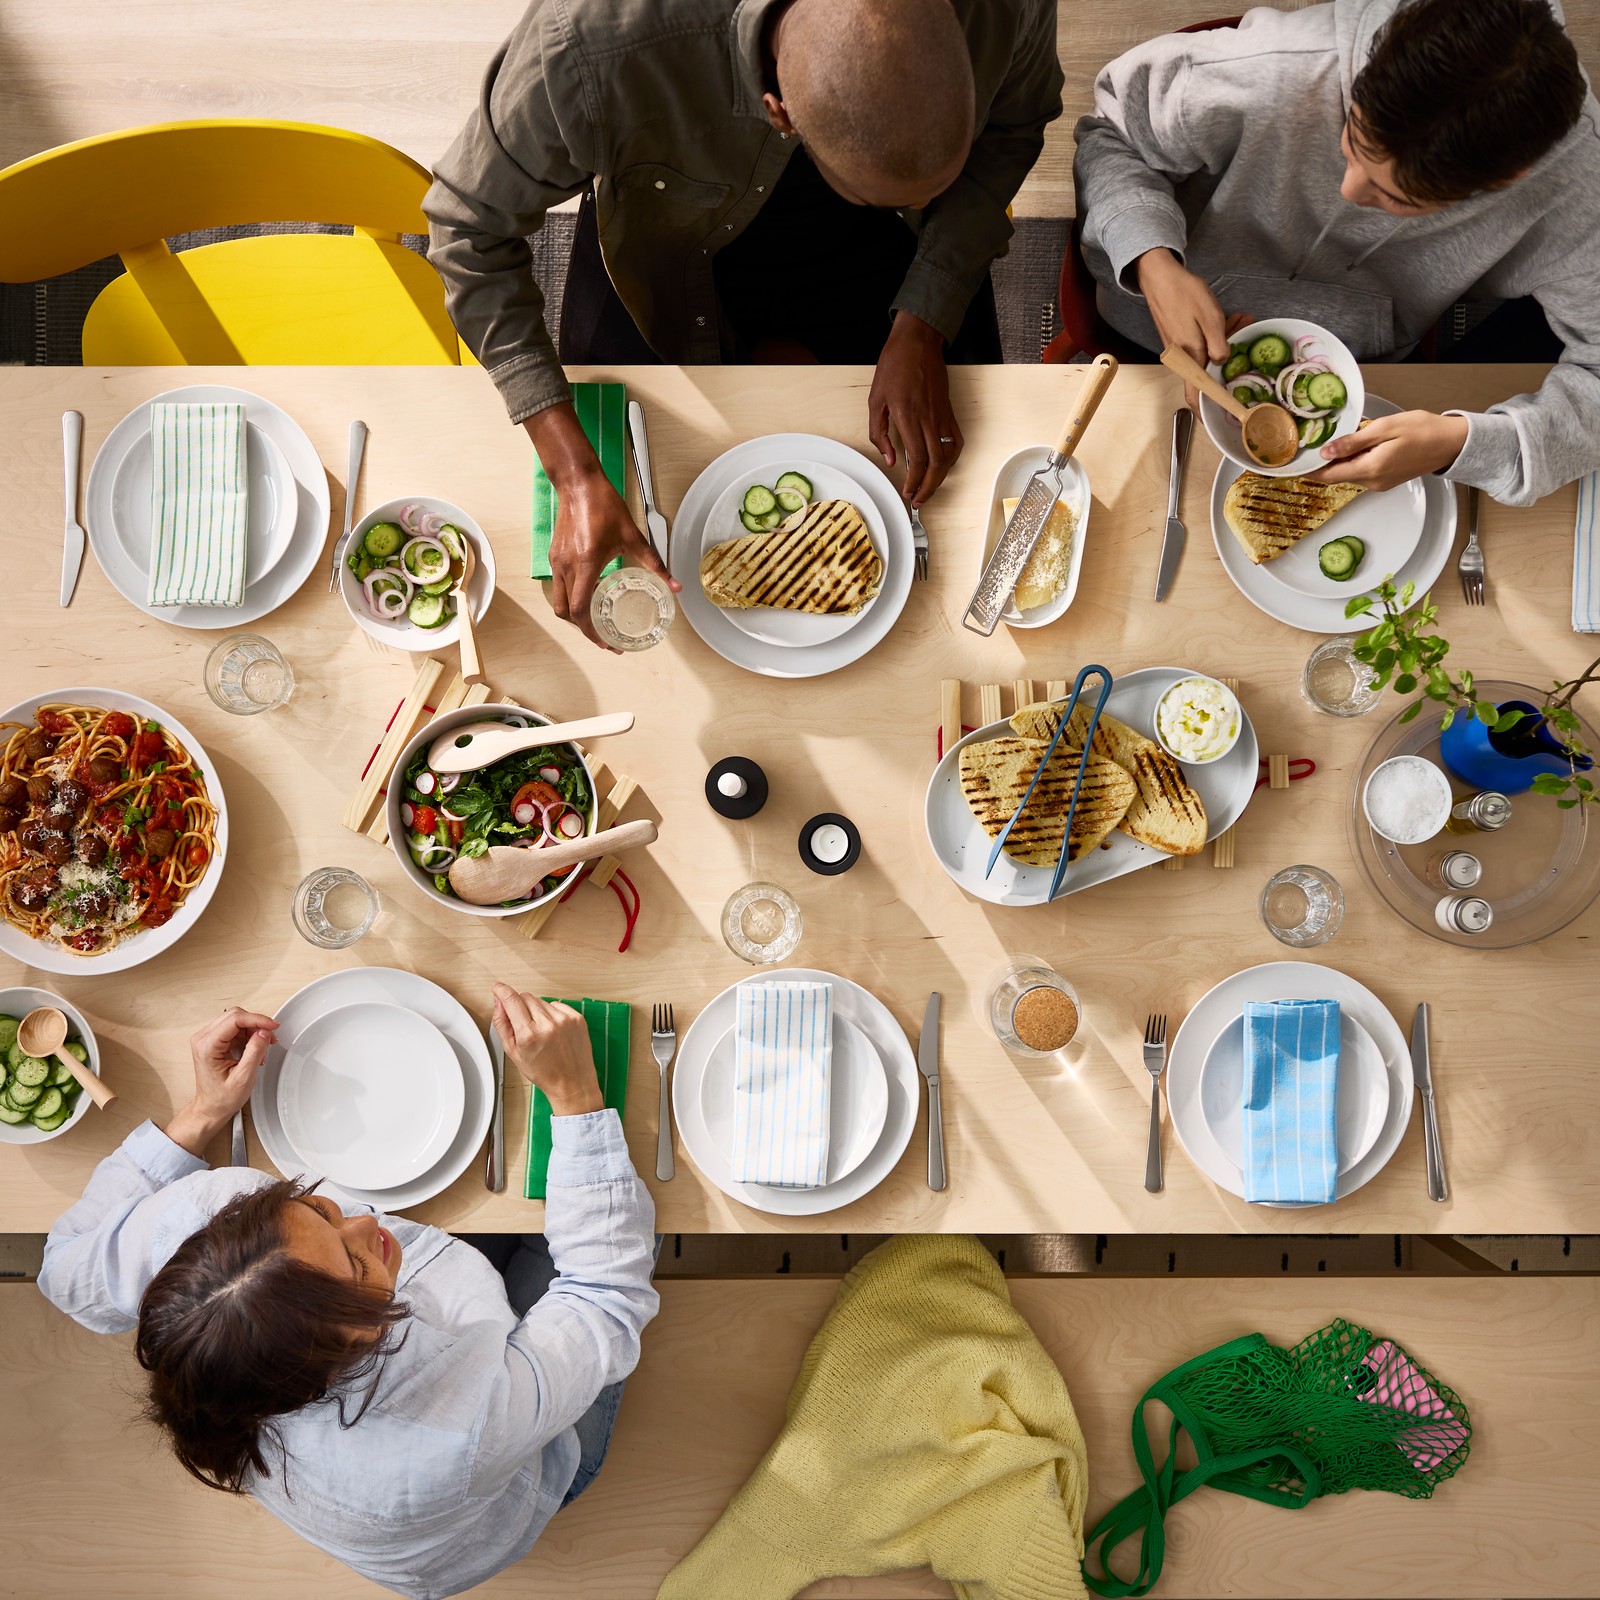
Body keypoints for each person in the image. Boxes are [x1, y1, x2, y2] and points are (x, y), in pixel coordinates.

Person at [425, 0, 1063, 643]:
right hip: (662, 240)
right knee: (629, 461)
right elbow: (466, 229)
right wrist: (574, 473)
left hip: (903, 244)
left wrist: (926, 313)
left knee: (973, 473)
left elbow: (1016, 123)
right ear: (779, 113)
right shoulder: (591, 40)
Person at [38, 989, 658, 1600]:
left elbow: (64, 1269)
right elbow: (603, 1292)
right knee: (621, 1230)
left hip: (441, 1397)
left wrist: (204, 1111)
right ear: (337, 1362)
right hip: (507, 1475)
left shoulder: (194, 1220)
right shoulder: (457, 1433)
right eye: (357, 1268)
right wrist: (576, 1098)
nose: (370, 1225)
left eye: (317, 1209)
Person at [1073, 0, 1600, 506]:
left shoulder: (1579, 192)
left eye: (1395, 198)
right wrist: (1152, 258)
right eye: (1352, 141)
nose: (1347, 191)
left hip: (1370, 368)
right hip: (1145, 325)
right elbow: (1110, 133)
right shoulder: (1278, 70)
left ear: (1506, 180)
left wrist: (1462, 445)